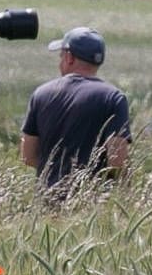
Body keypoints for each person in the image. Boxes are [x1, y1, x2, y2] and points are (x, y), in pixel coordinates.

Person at [21, 27, 131, 199]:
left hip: (47, 202)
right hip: (92, 206)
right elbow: (117, 161)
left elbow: (28, 156)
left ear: (69, 57)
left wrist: (55, 172)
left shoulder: (41, 94)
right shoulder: (113, 97)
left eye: (60, 56)